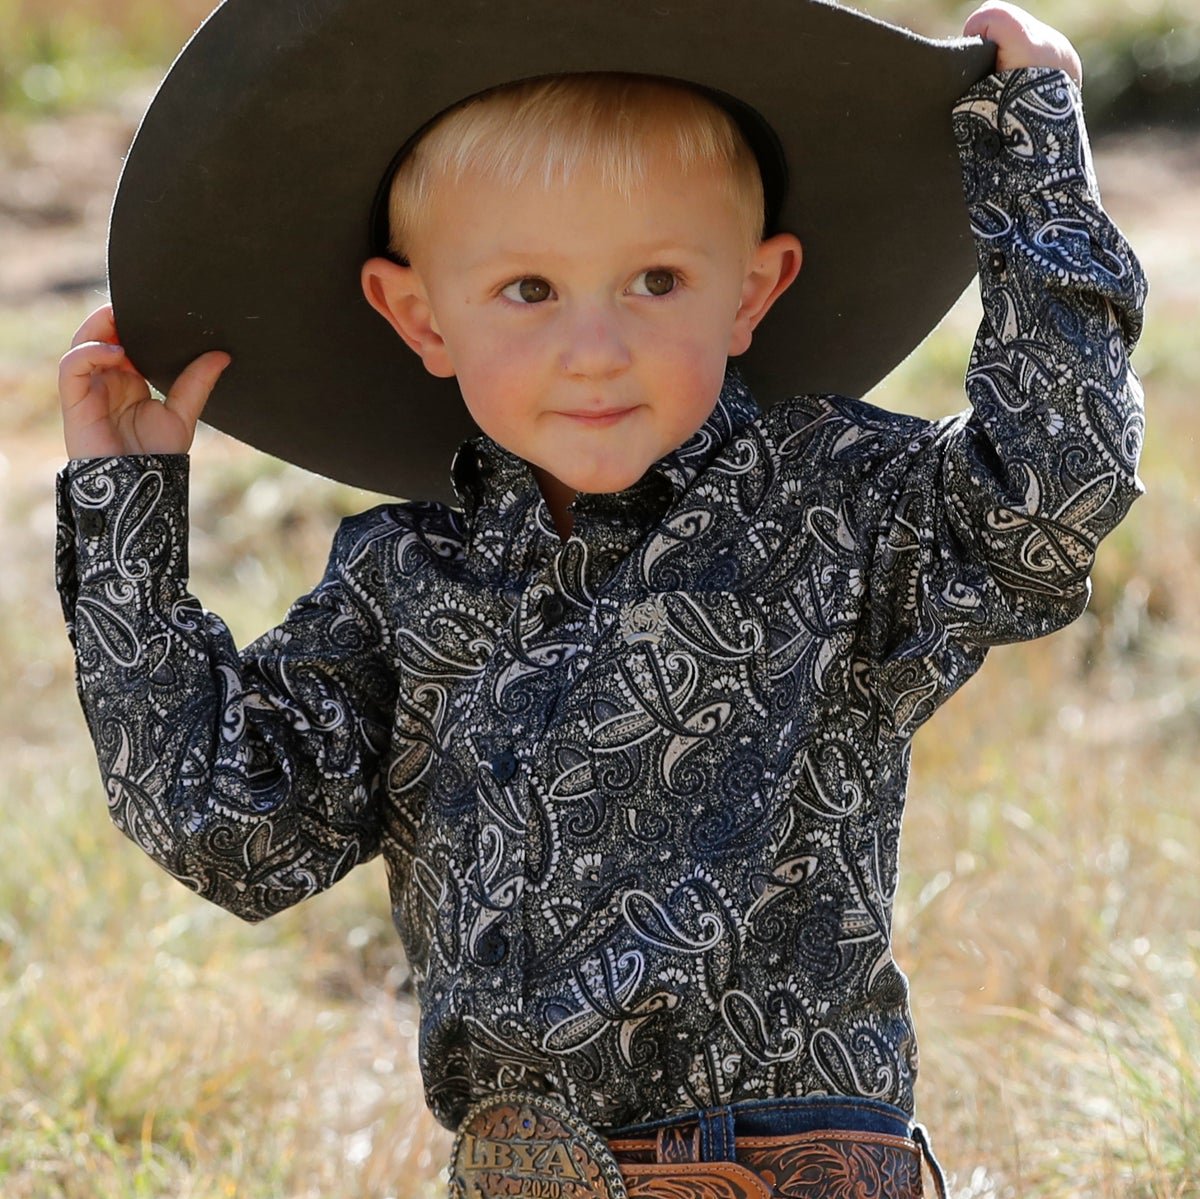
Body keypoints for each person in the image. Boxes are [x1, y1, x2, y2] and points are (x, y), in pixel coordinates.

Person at [55, 1, 1145, 1195]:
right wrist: (124, 520)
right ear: (419, 313)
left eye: (657, 280)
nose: (596, 347)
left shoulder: (835, 505)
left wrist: (1034, 148)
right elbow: (231, 827)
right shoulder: (401, 583)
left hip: (790, 1171)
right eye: (528, 288)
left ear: (752, 289)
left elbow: (1051, 490)